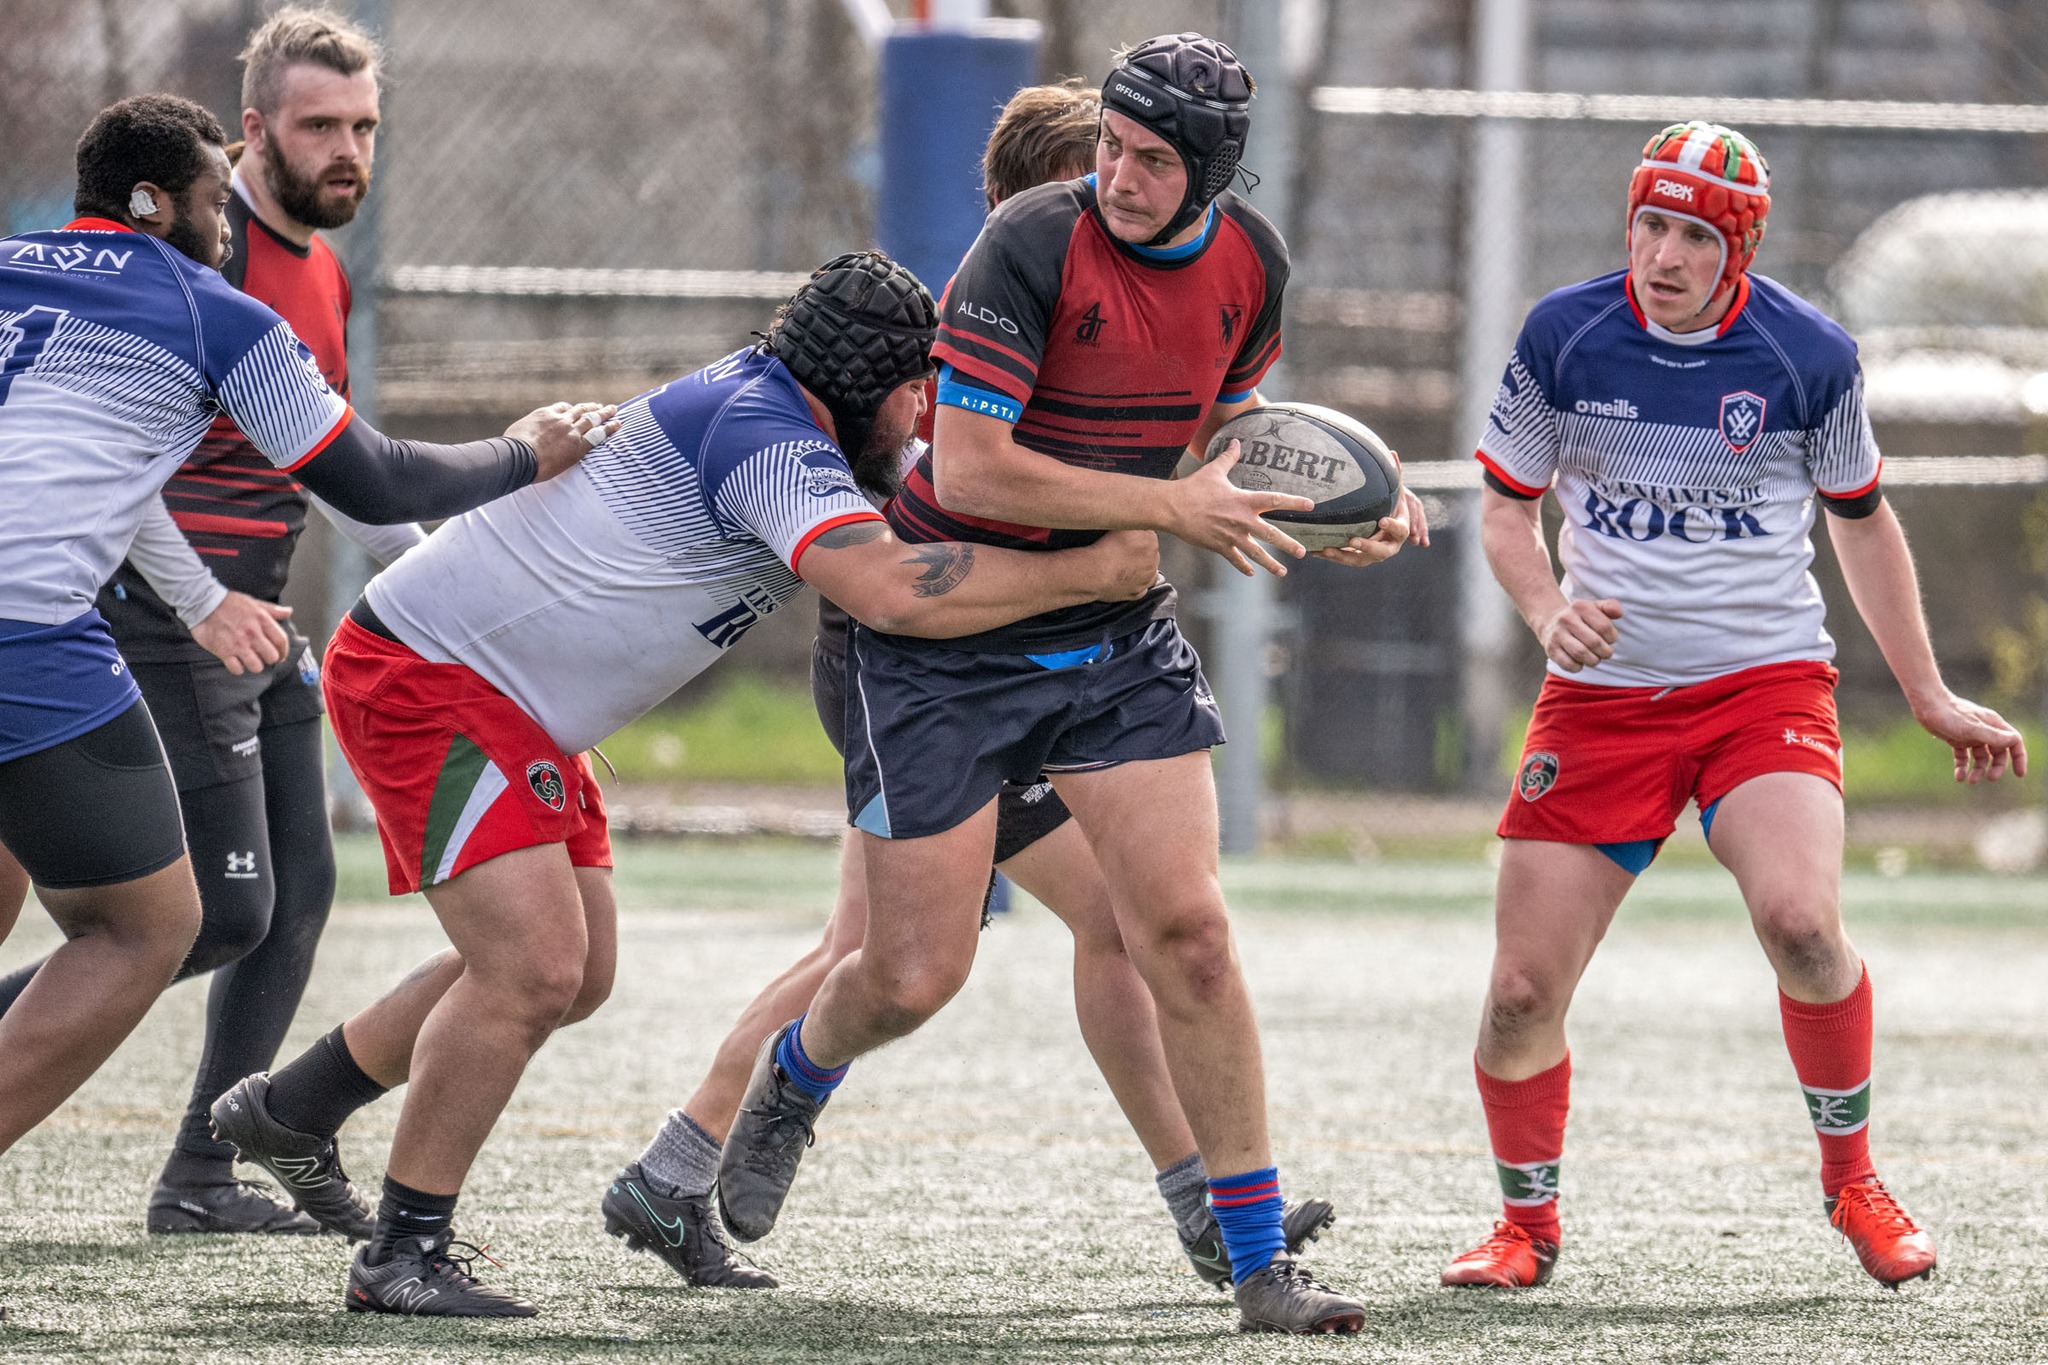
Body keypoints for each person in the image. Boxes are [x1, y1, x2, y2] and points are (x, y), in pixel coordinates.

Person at [210, 249, 1163, 1318]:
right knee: (529, 969)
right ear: (865, 384)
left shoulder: (786, 409)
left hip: (503, 694)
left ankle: (297, 1108)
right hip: (432, 678)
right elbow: (889, 590)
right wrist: (1092, 571)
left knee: (579, 970)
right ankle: (402, 1250)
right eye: (914, 389)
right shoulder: (767, 438)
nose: (925, 411)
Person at [715, 34, 1419, 1336]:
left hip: (1110, 632)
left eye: (1152, 161)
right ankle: (798, 1077)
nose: (1119, 177)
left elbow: (1225, 436)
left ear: (1212, 170)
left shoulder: (1251, 267)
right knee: (911, 973)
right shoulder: (1031, 243)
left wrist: (1340, 510)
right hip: (943, 638)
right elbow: (972, 470)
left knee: (1189, 938)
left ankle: (1259, 1264)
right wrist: (1165, 507)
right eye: (1109, 147)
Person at [1440, 120, 2028, 1291]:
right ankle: (1525, 1227)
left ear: (1736, 251)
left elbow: (1860, 524)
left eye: (1691, 237)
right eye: (1647, 225)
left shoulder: (1806, 357)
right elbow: (1504, 508)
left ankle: (1852, 1180)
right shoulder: (1564, 334)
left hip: (1760, 688)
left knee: (1802, 925)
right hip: (1598, 701)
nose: (1661, 255)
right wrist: (1547, 606)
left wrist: (1926, 694)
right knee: (1516, 996)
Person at [0, 92, 605, 1167]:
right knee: (149, 925)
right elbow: (369, 472)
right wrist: (522, 453)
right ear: (152, 204)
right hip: (29, 640)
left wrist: (193, 600)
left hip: (66, 623)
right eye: (207, 204)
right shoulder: (211, 311)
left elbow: (74, 460)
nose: (223, 226)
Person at [0, 7, 415, 1239]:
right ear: (247, 138)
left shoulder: (319, 270)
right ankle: (203, 1158)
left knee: (292, 894)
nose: (347, 151)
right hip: (149, 617)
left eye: (364, 126)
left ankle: (200, 1167)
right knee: (191, 915)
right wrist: (197, 596)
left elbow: (352, 492)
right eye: (318, 126)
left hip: (257, 609)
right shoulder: (203, 283)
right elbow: (109, 479)